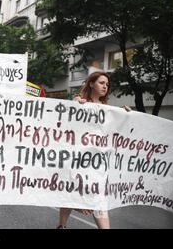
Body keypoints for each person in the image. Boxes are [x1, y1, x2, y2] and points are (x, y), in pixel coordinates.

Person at [57, 71, 130, 229]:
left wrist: (123, 114)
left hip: (98, 164)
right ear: (91, 84)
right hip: (79, 160)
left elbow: (112, 130)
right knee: (71, 194)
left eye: (107, 84)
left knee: (99, 199)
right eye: (101, 83)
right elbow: (69, 117)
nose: (105, 86)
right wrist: (76, 103)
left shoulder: (107, 109)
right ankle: (62, 226)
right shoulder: (81, 101)